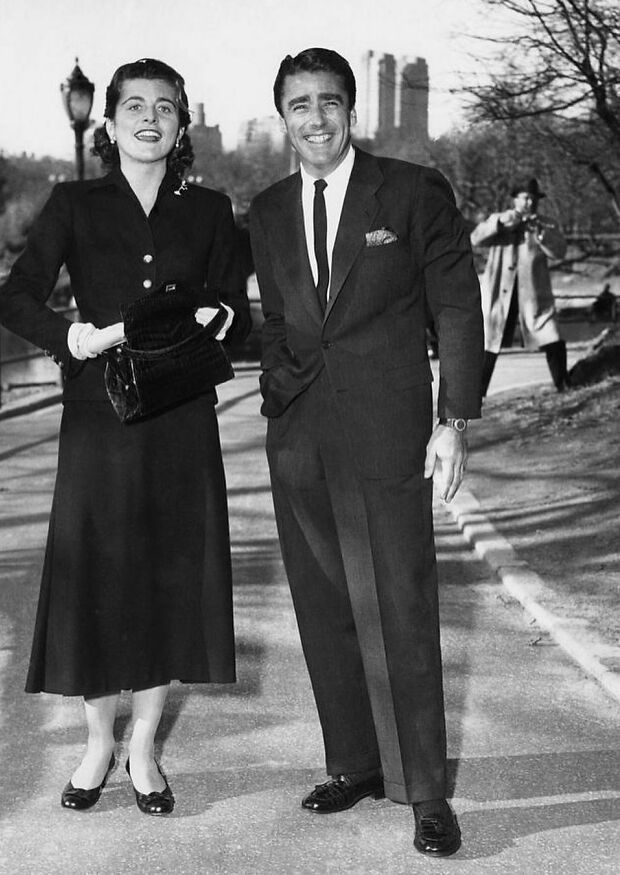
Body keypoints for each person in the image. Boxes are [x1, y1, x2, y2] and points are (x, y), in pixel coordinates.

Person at [0, 58, 249, 816]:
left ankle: (143, 747)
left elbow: (237, 304)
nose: (149, 119)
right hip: (98, 420)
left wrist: (219, 316)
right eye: (133, 107)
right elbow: (13, 296)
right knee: (98, 578)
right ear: (107, 124)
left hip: (179, 419)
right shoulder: (72, 203)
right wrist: (68, 336)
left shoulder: (208, 210)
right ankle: (97, 742)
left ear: (180, 127)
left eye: (165, 108)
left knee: (168, 576)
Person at [249, 48, 484, 858]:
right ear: (281, 116)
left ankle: (424, 790)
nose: (314, 118)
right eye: (298, 104)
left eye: (328, 102)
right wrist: (277, 388)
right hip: (300, 437)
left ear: (353, 109)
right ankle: (353, 761)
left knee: (402, 605)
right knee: (324, 605)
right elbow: (276, 317)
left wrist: (454, 417)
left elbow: (457, 305)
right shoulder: (269, 208)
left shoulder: (412, 192)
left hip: (389, 434)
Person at [471, 178, 569, 395]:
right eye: (525, 198)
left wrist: (542, 235)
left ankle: (563, 385)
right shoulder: (500, 219)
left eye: (534, 199)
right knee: (490, 340)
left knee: (550, 334)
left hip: (532, 295)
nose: (530, 203)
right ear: (515, 199)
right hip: (500, 293)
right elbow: (475, 239)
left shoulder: (546, 224)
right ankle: (476, 393)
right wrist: (500, 224)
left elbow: (560, 252)